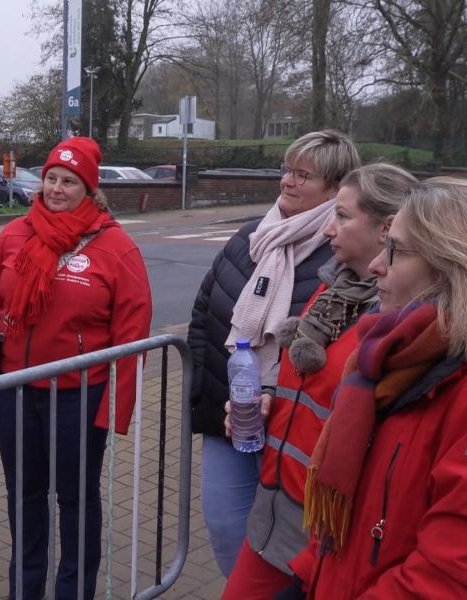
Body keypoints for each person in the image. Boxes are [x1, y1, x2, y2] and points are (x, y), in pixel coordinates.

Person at [284, 177, 467, 599]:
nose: (376, 266)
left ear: (459, 270)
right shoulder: (396, 360)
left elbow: (450, 581)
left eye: (396, 251)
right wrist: (306, 580)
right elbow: (351, 521)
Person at [0, 137, 152, 600]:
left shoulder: (115, 247)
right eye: (51, 178)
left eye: (70, 181)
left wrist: (115, 409)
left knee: (76, 498)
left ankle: (73, 590)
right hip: (15, 392)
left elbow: (132, 333)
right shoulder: (15, 234)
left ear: (90, 189)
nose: (57, 189)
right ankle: (25, 588)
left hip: (78, 397)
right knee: (24, 495)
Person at [220, 163, 418, 599]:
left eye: (342, 216)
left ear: (386, 229)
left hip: (330, 530)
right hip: (276, 509)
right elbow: (306, 380)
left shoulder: (396, 319)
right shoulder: (334, 291)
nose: (329, 229)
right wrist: (268, 398)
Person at [186, 129, 361, 576]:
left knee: (284, 543)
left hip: (292, 426)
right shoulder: (251, 236)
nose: (288, 181)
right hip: (230, 414)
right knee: (226, 528)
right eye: (287, 170)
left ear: (335, 188)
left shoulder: (341, 254)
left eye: (304, 175)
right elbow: (204, 313)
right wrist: (204, 390)